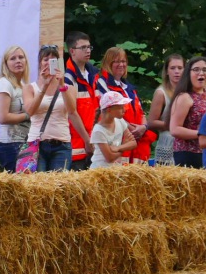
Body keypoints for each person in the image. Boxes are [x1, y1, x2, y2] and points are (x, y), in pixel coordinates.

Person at [21, 45, 84, 173]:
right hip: (37, 144)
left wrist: (61, 85)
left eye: (53, 60)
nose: (49, 63)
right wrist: (44, 86)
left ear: (58, 63)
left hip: (62, 144)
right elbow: (30, 111)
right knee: (37, 186)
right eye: (46, 59)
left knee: (58, 188)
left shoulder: (69, 88)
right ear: (39, 63)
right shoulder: (29, 88)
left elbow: (72, 111)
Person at [96, 46, 153, 163]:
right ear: (108, 63)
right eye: (116, 61)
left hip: (137, 144)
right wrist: (134, 130)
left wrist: (143, 127)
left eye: (123, 61)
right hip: (118, 140)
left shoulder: (129, 88)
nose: (121, 64)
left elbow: (141, 113)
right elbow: (110, 112)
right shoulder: (102, 84)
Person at [63, 31, 98, 169]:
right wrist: (87, 140)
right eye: (83, 48)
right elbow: (72, 113)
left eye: (89, 47)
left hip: (95, 143)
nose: (88, 50)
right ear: (72, 51)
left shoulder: (94, 74)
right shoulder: (68, 78)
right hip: (78, 147)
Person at [170, 56, 206, 168]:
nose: (201, 73)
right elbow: (174, 129)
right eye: (196, 69)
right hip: (188, 154)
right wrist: (201, 134)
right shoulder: (184, 97)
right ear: (188, 73)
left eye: (205, 69)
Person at [0, 45, 30, 172]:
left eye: (21, 57)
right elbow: (3, 117)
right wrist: (28, 115)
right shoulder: (4, 83)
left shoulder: (23, 85)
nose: (18, 61)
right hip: (11, 144)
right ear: (6, 64)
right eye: (13, 58)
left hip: (26, 142)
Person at [147, 54, 184, 166]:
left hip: (185, 144)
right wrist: (174, 126)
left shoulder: (188, 91)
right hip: (167, 144)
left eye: (180, 68)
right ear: (167, 71)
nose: (176, 71)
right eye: (172, 68)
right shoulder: (161, 92)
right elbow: (151, 122)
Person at [89, 91, 135, 169]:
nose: (124, 110)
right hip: (99, 171)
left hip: (115, 170)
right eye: (121, 107)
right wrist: (124, 147)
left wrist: (119, 148)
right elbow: (109, 158)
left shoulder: (120, 121)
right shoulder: (98, 131)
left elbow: (133, 143)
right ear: (109, 110)